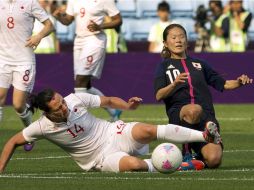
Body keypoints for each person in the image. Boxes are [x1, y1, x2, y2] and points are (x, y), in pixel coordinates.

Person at [0, 88, 221, 173]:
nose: (64, 107)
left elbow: (106, 100)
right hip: (100, 157)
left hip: (112, 131)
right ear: (48, 113)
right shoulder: (40, 127)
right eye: (59, 108)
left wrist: (127, 105)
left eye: (62, 102)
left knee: (146, 130)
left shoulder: (75, 99)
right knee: (134, 165)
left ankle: (202, 136)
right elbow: (12, 142)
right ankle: (180, 166)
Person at [154, 23, 253, 169]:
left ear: (187, 41)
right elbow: (158, 95)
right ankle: (186, 153)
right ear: (165, 43)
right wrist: (174, 84)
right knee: (193, 110)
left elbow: (224, 84)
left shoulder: (200, 64)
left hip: (205, 120)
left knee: (214, 160)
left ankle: (197, 159)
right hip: (181, 116)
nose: (178, 40)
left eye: (182, 37)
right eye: (173, 37)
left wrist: (239, 82)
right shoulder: (163, 66)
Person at [52, 0, 123, 121]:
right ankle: (114, 110)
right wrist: (59, 16)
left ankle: (78, 120)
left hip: (94, 40)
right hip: (79, 41)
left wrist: (100, 26)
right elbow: (68, 21)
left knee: (80, 81)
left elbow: (118, 20)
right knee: (86, 85)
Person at [0, 0, 54, 151]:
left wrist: (39, 36)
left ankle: (29, 133)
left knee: (18, 105)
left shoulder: (30, 3)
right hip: (2, 59)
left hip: (23, 60)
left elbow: (49, 25)